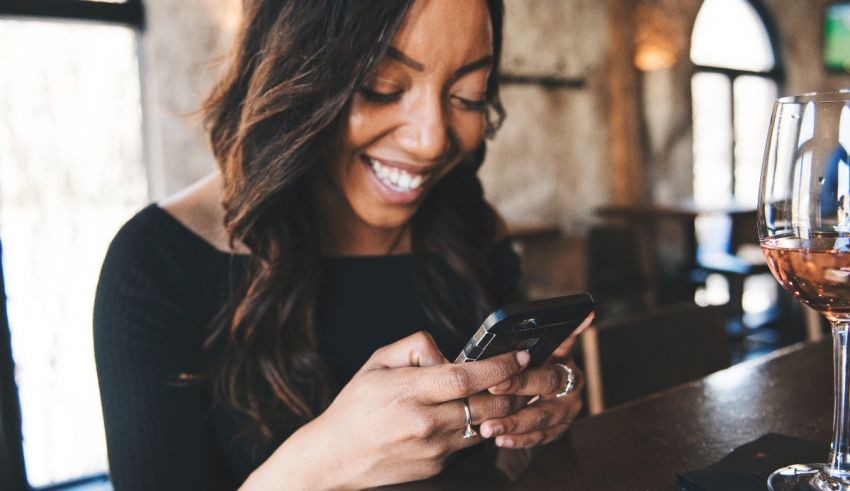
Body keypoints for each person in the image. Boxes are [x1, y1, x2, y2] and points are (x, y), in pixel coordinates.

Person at [93, 0, 592, 489]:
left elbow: (503, 467)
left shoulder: (473, 231)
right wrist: (322, 466)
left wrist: (538, 416)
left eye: (468, 96)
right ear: (294, 68)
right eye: (383, 87)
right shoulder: (157, 264)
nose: (432, 140)